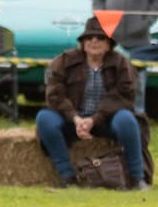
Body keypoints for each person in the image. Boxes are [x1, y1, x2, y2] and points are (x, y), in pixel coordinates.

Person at [36, 19, 150, 190]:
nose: (94, 41)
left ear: (108, 44)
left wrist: (94, 119)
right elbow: (55, 95)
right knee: (44, 118)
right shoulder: (64, 61)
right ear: (83, 43)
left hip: (107, 121)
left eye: (100, 38)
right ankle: (67, 176)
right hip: (72, 121)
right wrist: (76, 119)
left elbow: (124, 97)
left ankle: (137, 178)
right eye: (89, 38)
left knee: (127, 119)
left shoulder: (121, 63)